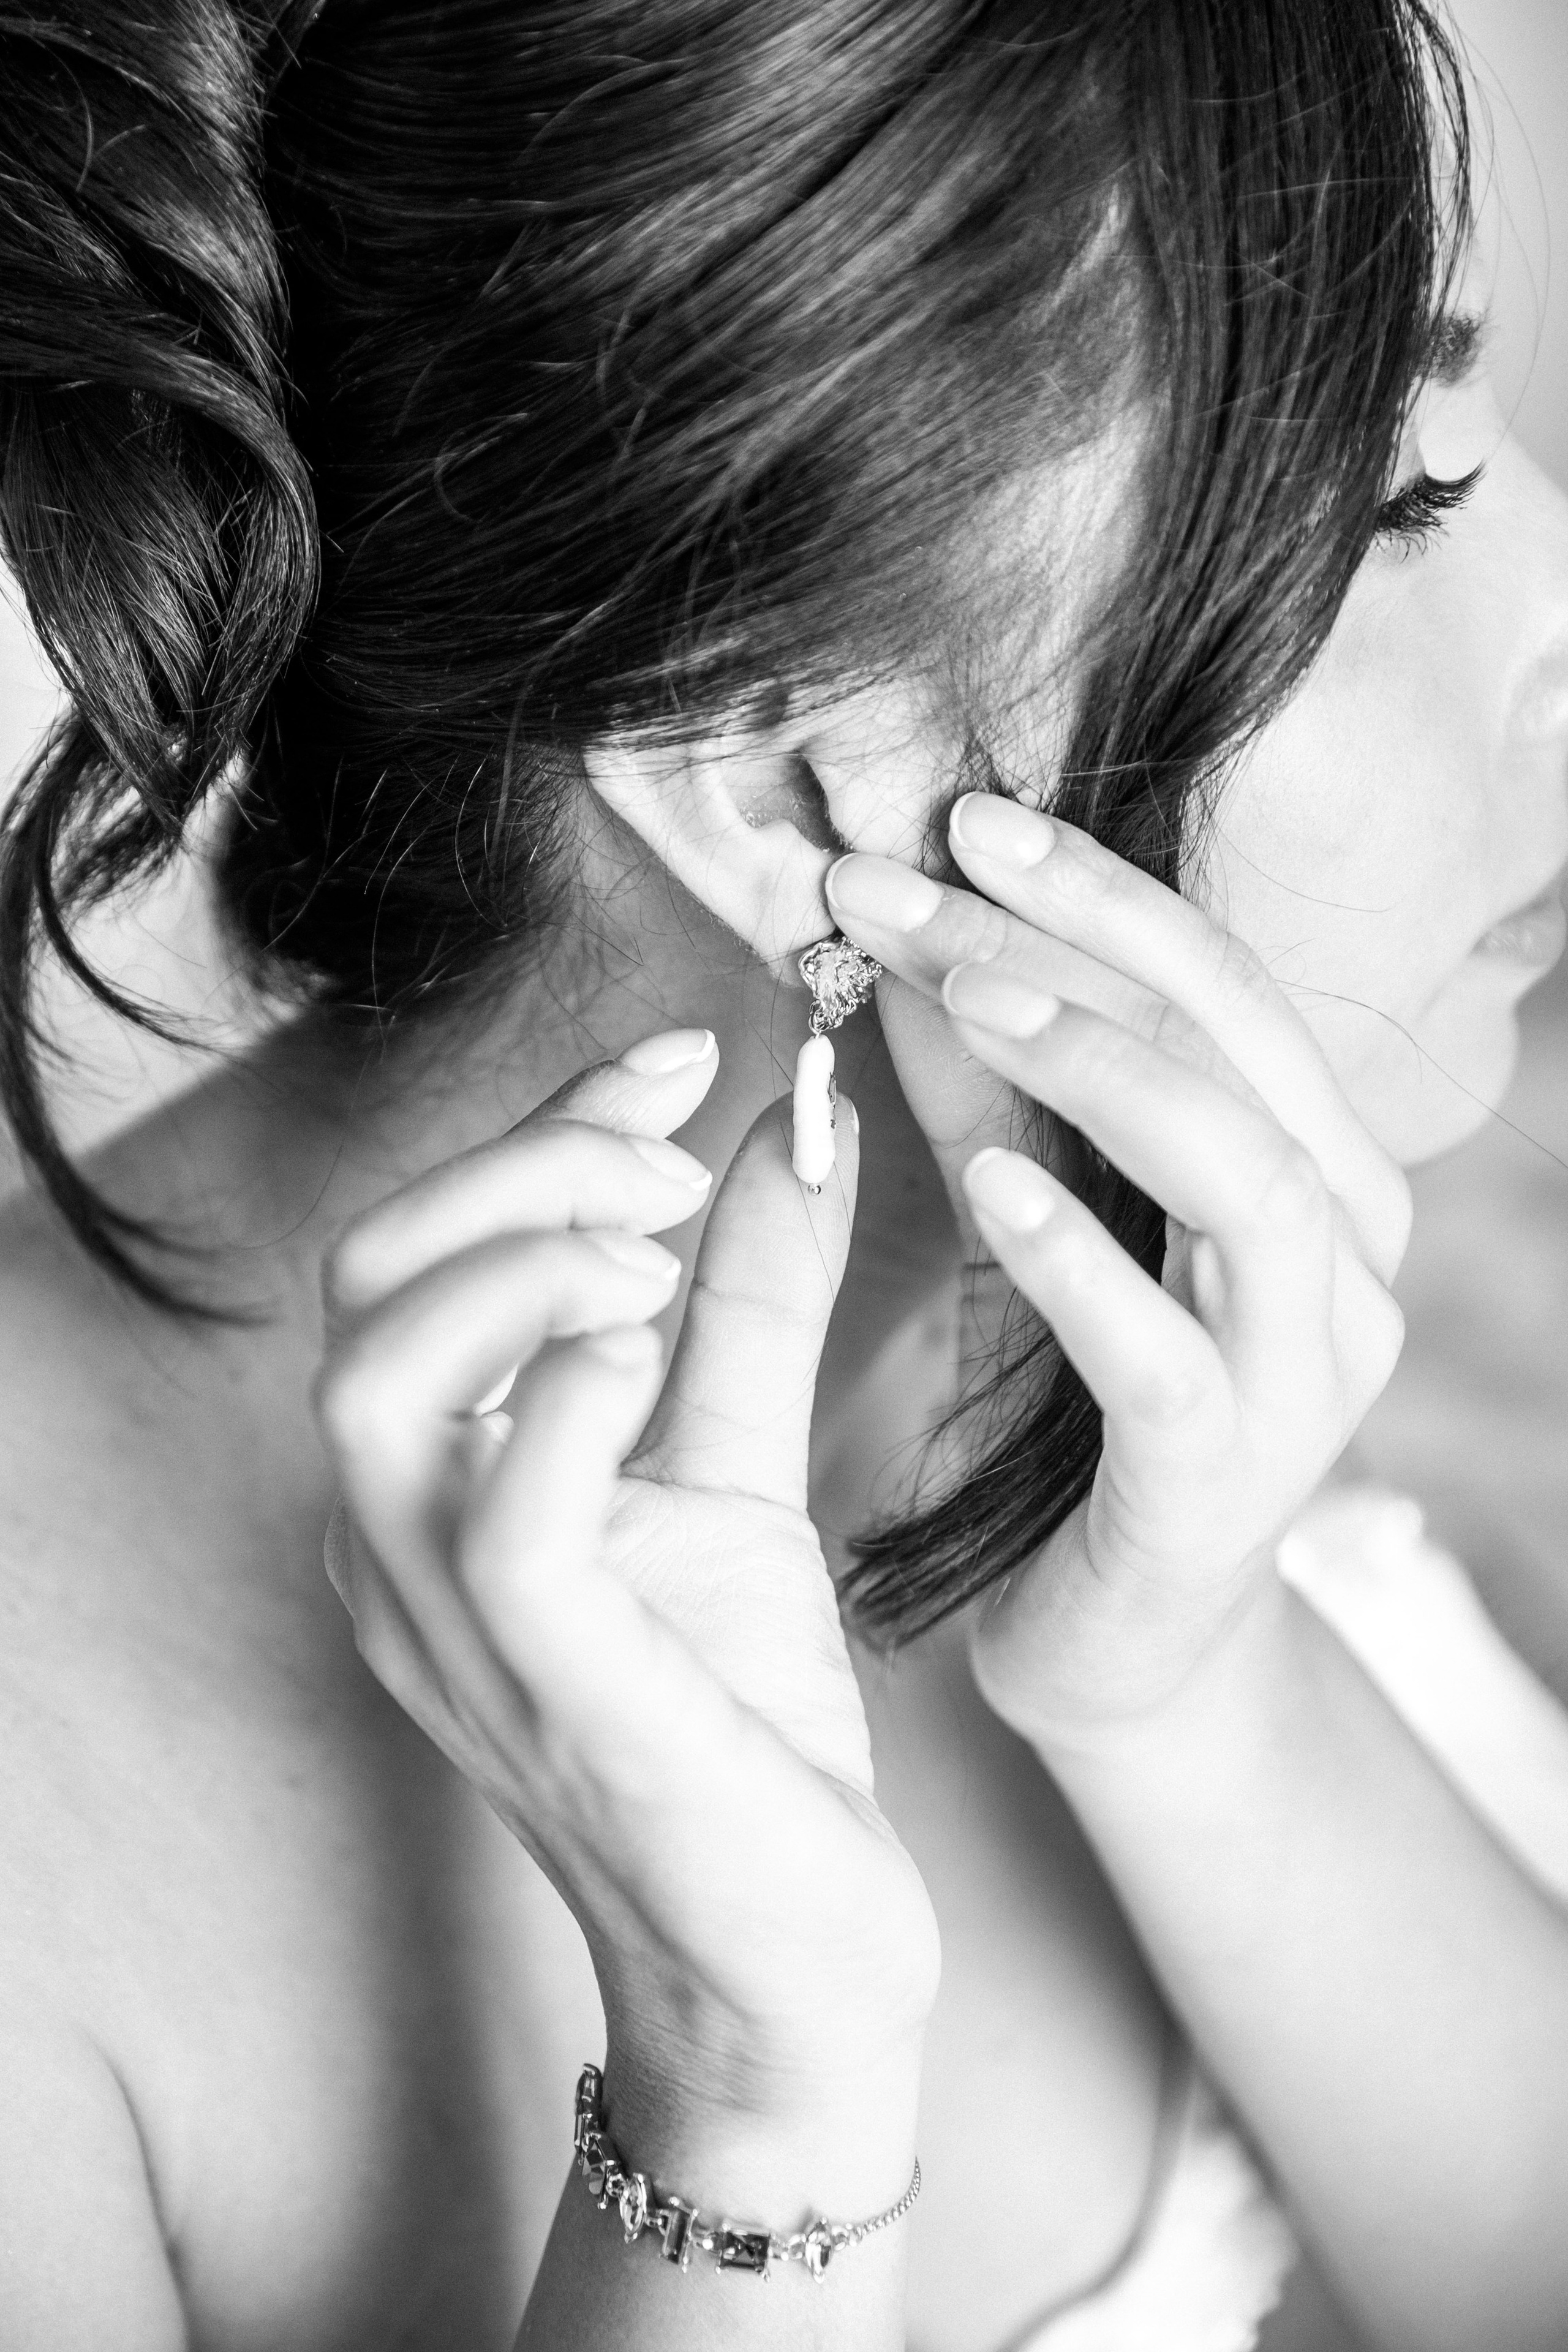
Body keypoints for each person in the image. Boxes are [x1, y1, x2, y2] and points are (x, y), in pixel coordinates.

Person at [2, 2, 1567, 2347]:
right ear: (785, 796)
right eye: (1392, 512)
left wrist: (1187, 1694)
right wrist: (748, 2117)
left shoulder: (1155, 1367)